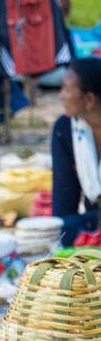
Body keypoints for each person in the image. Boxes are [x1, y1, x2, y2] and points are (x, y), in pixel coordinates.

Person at [52, 58, 101, 245]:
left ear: (89, 99)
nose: (60, 96)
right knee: (61, 228)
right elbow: (64, 198)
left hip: (92, 221)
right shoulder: (64, 129)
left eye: (66, 89)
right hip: (92, 220)